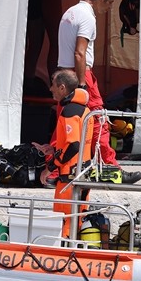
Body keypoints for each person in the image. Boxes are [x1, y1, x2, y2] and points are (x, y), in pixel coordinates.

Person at [57, 0, 141, 184]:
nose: (110, 7)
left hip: (63, 74)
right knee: (99, 121)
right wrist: (82, 85)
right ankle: (112, 168)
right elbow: (80, 53)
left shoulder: (70, 12)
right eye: (110, 3)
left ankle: (55, 170)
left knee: (66, 124)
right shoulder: (87, 17)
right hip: (80, 73)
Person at [46, 68, 93, 233]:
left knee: (64, 226)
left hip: (69, 180)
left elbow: (73, 145)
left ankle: (66, 246)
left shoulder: (69, 111)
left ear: (62, 87)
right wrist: (53, 149)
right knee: (77, 223)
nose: (51, 89)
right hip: (81, 175)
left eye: (53, 85)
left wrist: (51, 167)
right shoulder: (83, 109)